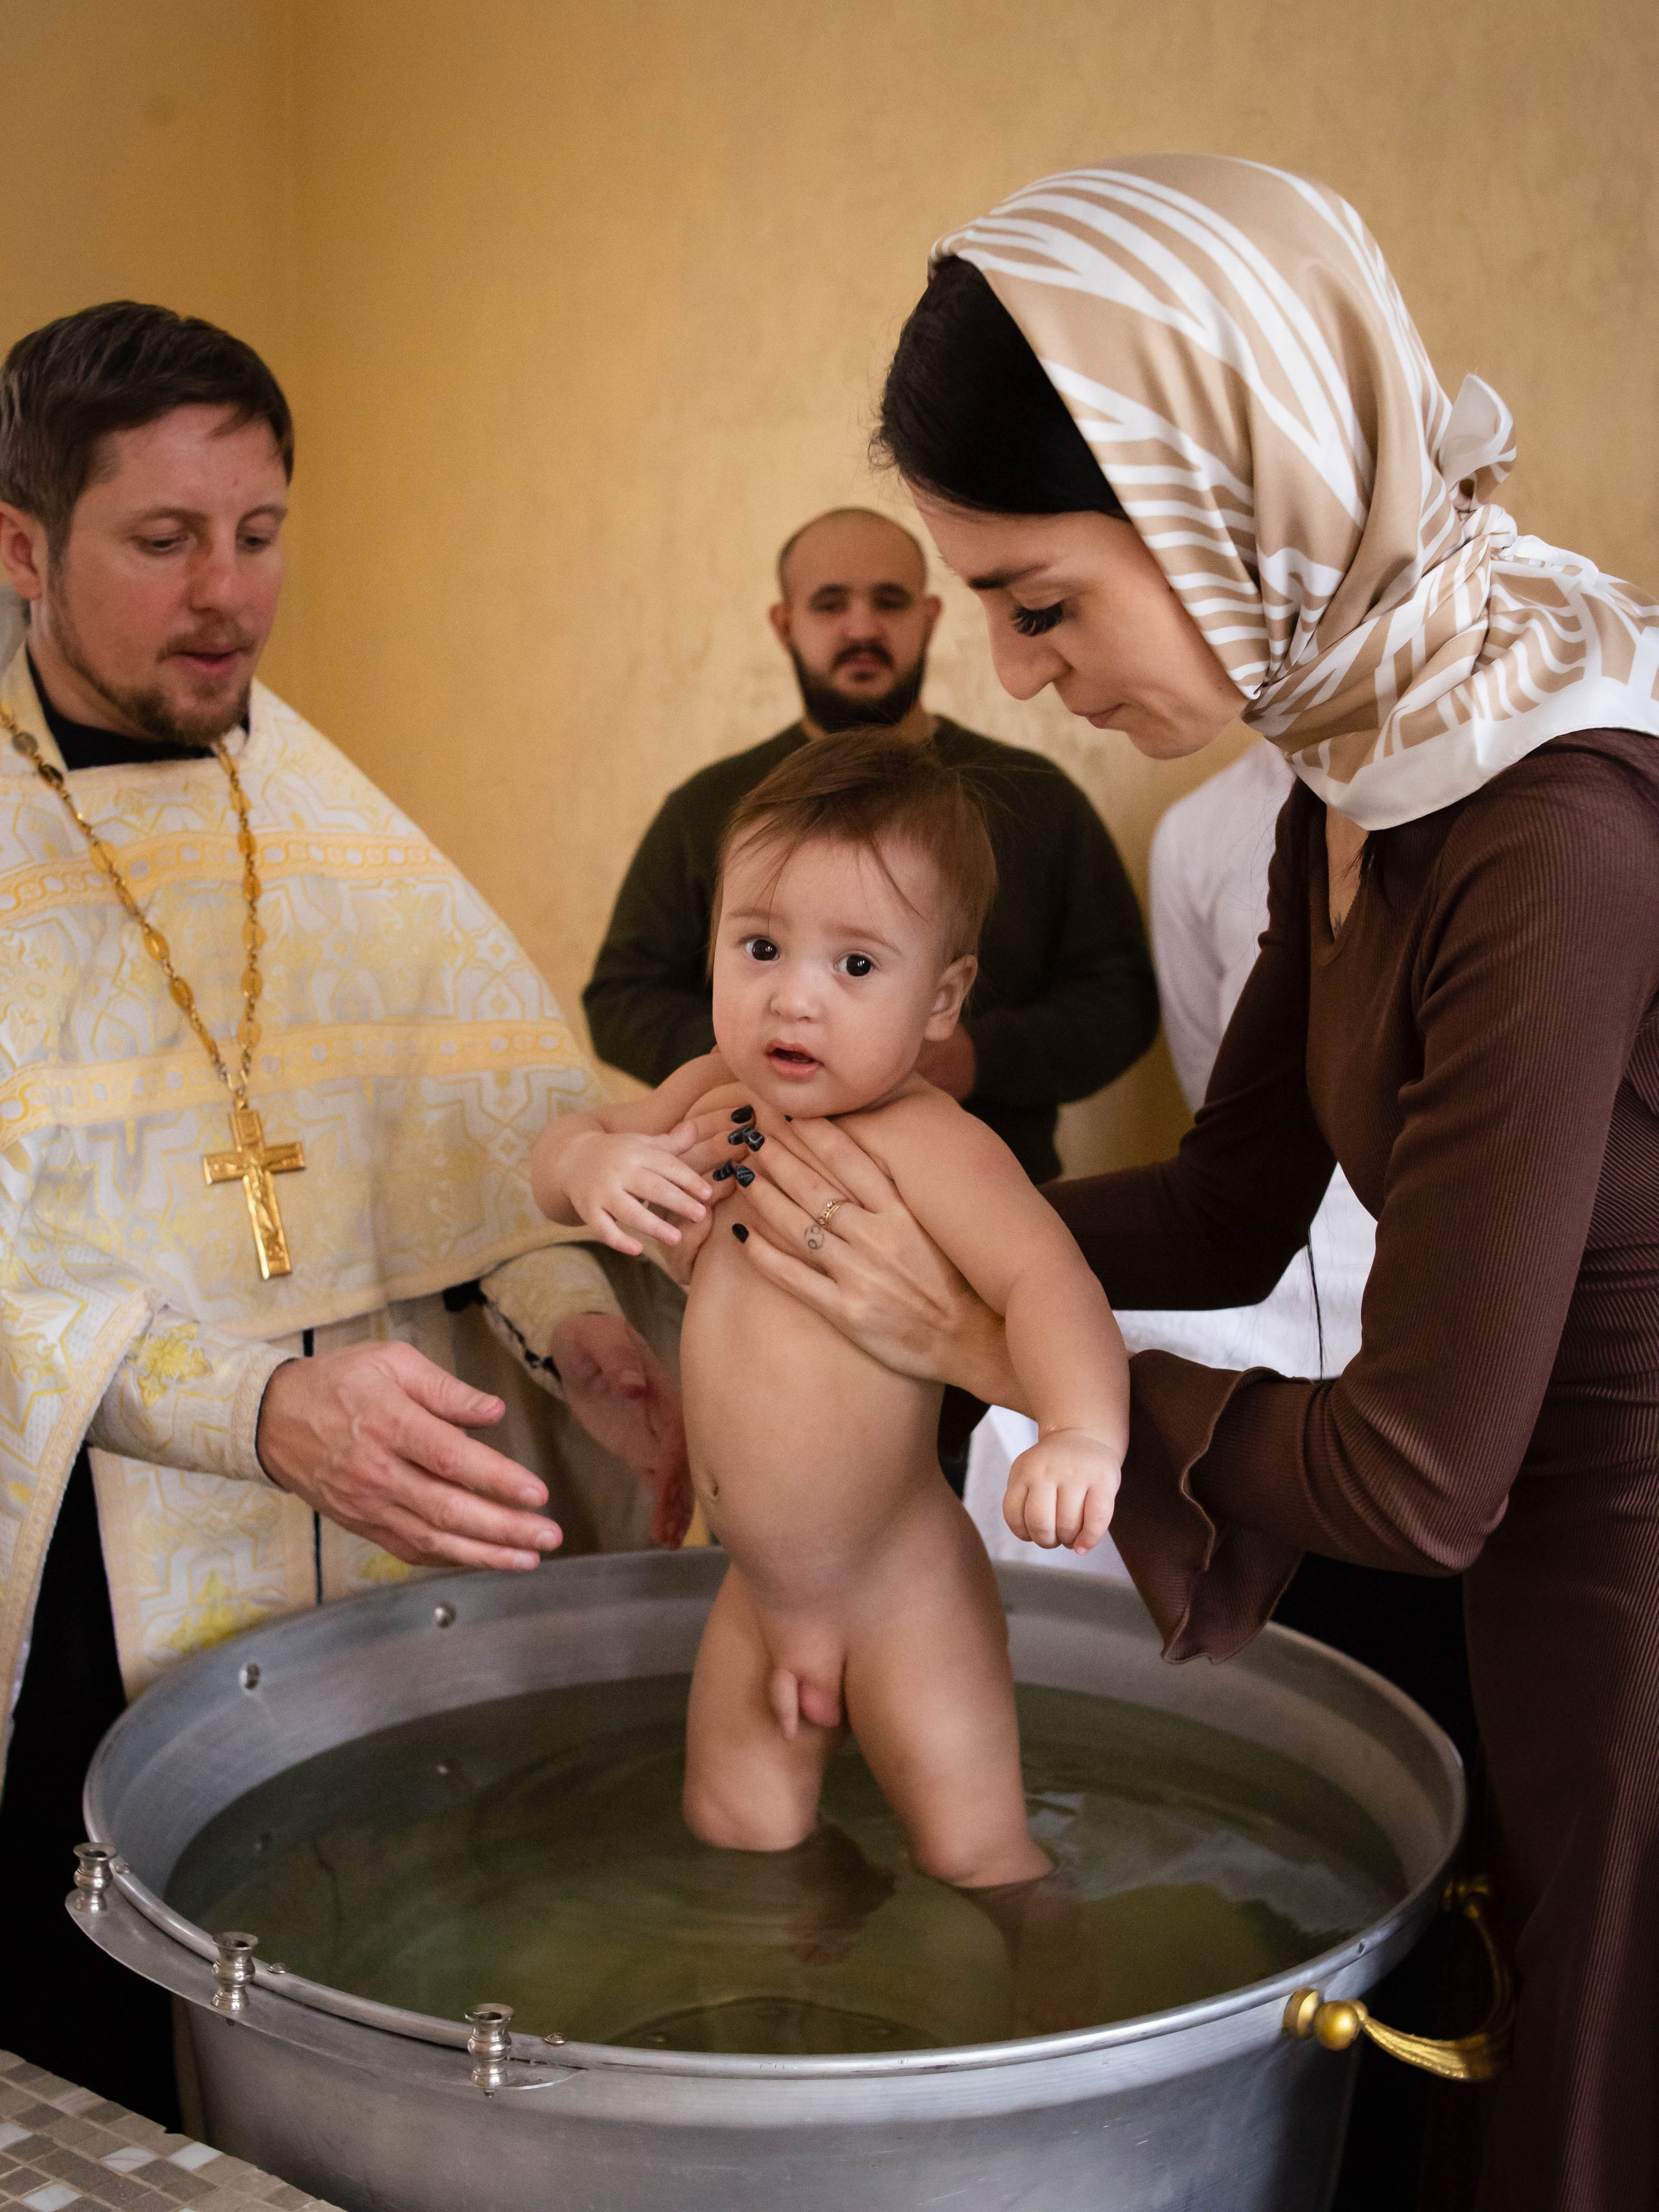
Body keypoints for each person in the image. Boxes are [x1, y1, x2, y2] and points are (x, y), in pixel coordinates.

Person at [718, 158, 1659, 2212]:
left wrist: (987, 1340)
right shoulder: (1373, 760)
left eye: (1039, 605)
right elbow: (1236, 1199)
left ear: (1236, 501)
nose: (1021, 676)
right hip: (1538, 1577)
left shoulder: (1545, 818)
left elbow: (1419, 1469)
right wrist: (864, 1186)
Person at [0, 302, 704, 2117]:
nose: (227, 591)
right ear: (22, 546)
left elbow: (469, 1125)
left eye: (260, 530)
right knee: (109, 2053)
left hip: (379, 1540)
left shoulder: (316, 809)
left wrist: (572, 1316)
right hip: (90, 1572)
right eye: (163, 540)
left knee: (390, 2000)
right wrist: (251, 1406)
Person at [533, 731, 1126, 1892]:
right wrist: (592, 1171)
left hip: (902, 1597)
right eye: (760, 945)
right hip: (758, 1594)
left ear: (944, 996)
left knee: (978, 1854)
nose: (793, 995)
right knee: (734, 1835)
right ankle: (812, 1986)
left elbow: (1050, 1281)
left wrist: (1080, 1428)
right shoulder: (711, 1091)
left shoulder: (935, 1146)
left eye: (857, 967)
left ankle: (1037, 1999)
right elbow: (563, 1149)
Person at [583, 506, 1158, 1191]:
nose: (861, 628)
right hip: (762, 1201)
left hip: (1001, 1202)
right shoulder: (708, 808)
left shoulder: (1033, 796)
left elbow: (1121, 998)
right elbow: (620, 996)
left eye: (889, 601)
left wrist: (980, 1058)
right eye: (831, 605)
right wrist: (754, 1059)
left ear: (929, 617)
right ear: (785, 624)